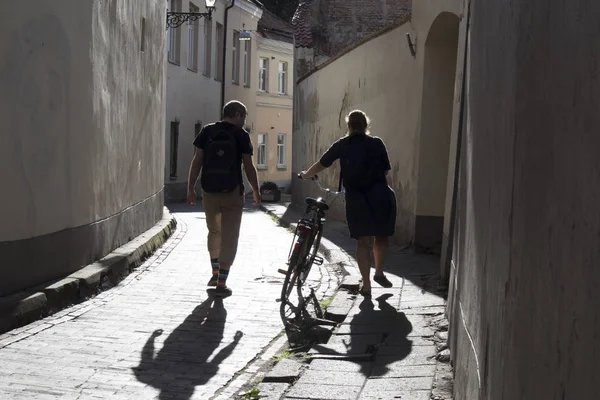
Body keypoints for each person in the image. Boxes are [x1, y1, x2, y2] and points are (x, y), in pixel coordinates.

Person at [300, 110, 396, 296]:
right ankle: (378, 272)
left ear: (349, 126)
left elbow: (322, 163)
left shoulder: (342, 145)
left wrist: (306, 175)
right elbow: (385, 171)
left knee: (362, 241)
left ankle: (366, 285)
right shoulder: (377, 143)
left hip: (356, 198)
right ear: (366, 125)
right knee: (381, 236)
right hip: (380, 195)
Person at [187, 100, 261, 298]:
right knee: (230, 236)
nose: (243, 120)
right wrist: (256, 189)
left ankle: (214, 272)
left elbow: (196, 162)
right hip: (232, 192)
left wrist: (191, 188)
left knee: (214, 231)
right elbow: (248, 166)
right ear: (236, 114)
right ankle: (222, 282)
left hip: (209, 191)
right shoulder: (241, 135)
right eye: (243, 116)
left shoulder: (206, 132)